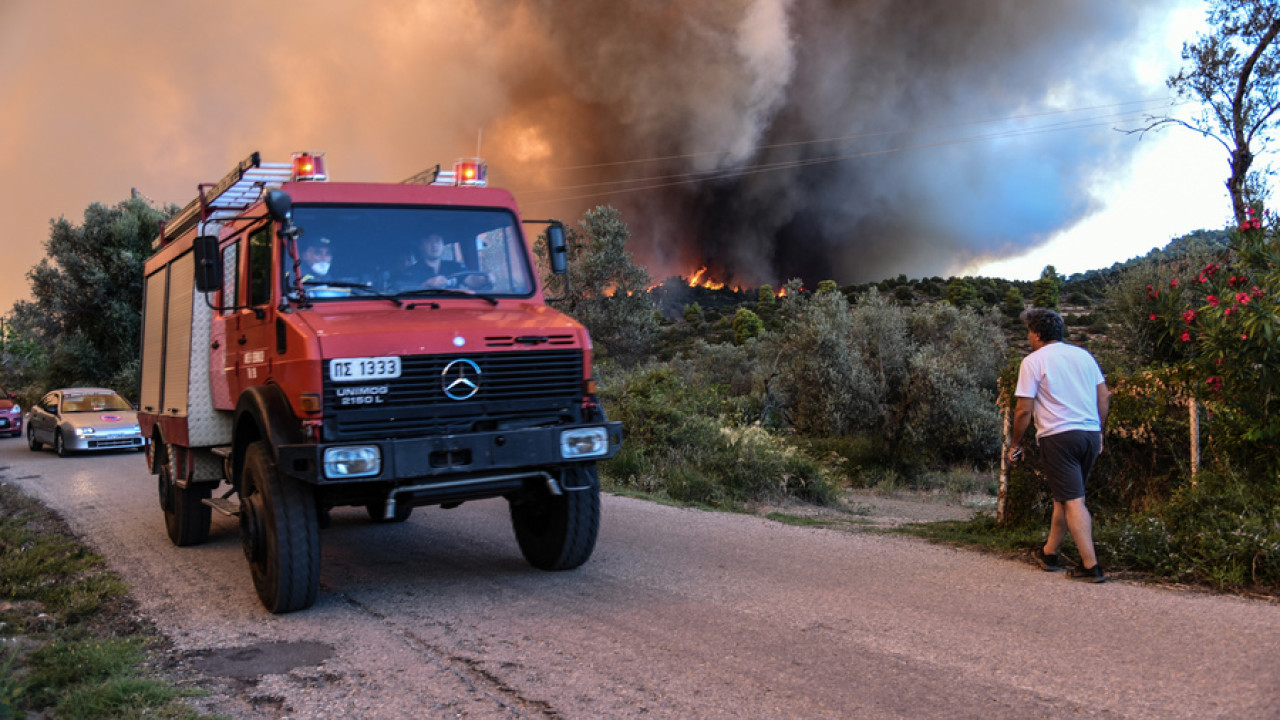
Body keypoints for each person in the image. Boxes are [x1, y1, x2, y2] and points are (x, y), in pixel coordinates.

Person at [1008, 308, 1111, 583]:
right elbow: (1103, 397)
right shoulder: (1084, 356)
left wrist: (1015, 443)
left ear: (1038, 334)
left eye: (1029, 332)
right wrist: (1098, 430)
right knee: (1064, 497)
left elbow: (1022, 410)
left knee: (1073, 500)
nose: (1028, 337)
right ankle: (1049, 554)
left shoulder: (1032, 361)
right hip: (1089, 434)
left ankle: (1091, 567)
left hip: (1058, 436)